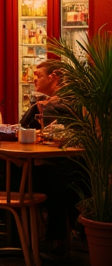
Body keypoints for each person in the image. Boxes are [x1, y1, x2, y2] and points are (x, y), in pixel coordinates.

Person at [19, 59, 83, 256]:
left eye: (38, 75)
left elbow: (26, 125)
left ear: (54, 77)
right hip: (65, 164)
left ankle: (49, 238)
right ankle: (48, 237)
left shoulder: (67, 100)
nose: (34, 79)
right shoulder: (51, 102)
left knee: (44, 179)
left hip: (75, 166)